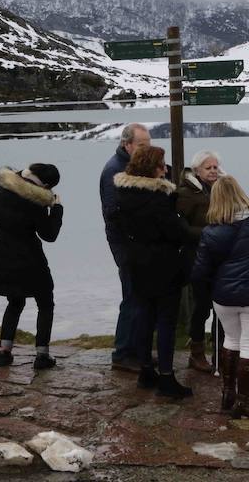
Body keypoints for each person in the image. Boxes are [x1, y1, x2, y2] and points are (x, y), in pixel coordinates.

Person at [191, 175, 249, 419]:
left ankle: (227, 394)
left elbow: (200, 272)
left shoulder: (210, 233)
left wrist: (211, 290)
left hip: (224, 297)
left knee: (231, 340)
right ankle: (244, 402)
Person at [114, 146, 192, 398]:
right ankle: (167, 378)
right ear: (152, 168)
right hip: (163, 265)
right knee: (166, 322)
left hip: (135, 263)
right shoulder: (158, 198)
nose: (165, 169)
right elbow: (176, 231)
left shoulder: (123, 194)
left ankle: (146, 370)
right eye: (161, 165)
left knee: (144, 317)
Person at [0, 163, 63, 369]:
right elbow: (49, 235)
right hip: (29, 258)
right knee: (46, 302)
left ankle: (4, 352)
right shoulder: (35, 201)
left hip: (2, 253)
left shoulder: (0, 188)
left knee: (15, 302)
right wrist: (57, 209)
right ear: (46, 185)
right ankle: (42, 355)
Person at [99, 123, 151, 371]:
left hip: (138, 242)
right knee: (132, 296)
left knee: (141, 296)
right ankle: (122, 352)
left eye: (148, 144)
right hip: (125, 244)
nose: (146, 149)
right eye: (142, 145)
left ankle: (138, 350)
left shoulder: (133, 165)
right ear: (126, 144)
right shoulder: (113, 170)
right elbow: (113, 213)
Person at [177, 150, 221, 372]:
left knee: (221, 308)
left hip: (220, 258)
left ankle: (221, 352)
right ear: (196, 171)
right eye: (208, 167)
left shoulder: (223, 188)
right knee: (201, 307)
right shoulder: (186, 193)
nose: (213, 171)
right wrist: (209, 233)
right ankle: (197, 353)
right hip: (196, 258)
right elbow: (181, 229)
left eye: (215, 167)